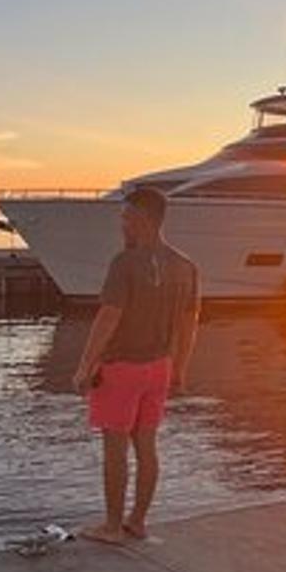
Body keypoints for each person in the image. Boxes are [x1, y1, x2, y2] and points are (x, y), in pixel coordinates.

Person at [70, 186, 199, 544]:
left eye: (126, 217)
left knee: (115, 451)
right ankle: (137, 521)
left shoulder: (125, 263)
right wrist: (181, 369)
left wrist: (84, 367)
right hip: (159, 368)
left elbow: (109, 317)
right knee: (147, 446)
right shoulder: (186, 267)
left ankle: (112, 526)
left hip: (121, 369)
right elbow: (190, 324)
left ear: (142, 220)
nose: (121, 224)